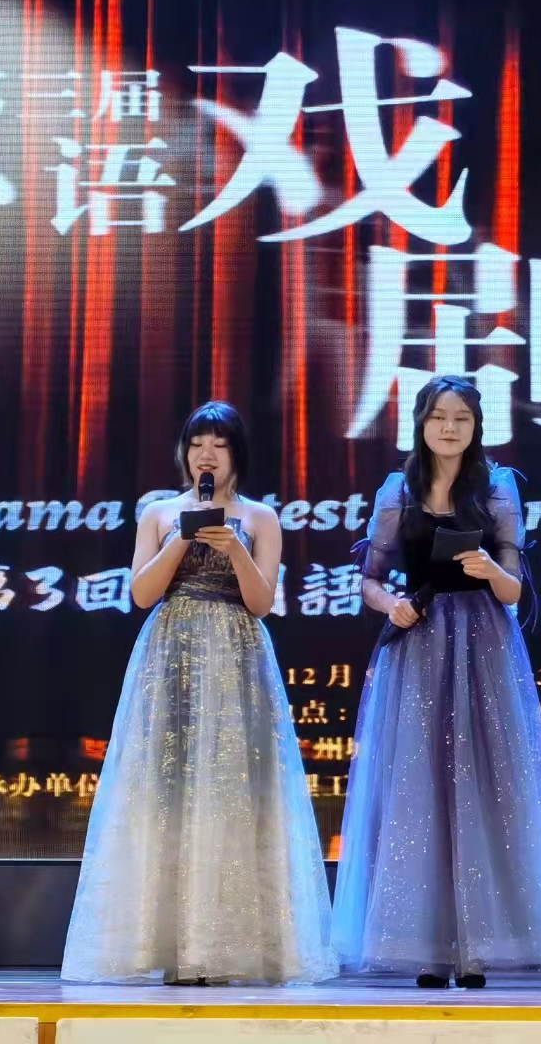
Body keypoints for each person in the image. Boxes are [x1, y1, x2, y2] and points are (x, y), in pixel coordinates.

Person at [62, 401, 337, 986]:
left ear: (237, 454)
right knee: (165, 793)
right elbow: (142, 594)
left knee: (236, 794)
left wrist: (234, 547)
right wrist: (181, 539)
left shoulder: (260, 517)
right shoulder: (159, 512)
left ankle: (229, 944)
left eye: (219, 444)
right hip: (170, 656)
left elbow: (261, 603)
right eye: (196, 444)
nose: (206, 455)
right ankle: (167, 942)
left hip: (238, 656)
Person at [331, 376, 541, 988]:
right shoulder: (398, 489)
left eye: (461, 418)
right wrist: (391, 605)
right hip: (416, 642)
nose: (449, 427)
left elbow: (514, 590)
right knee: (418, 789)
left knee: (484, 788)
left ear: (476, 426)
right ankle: (425, 946)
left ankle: (476, 948)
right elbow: (370, 579)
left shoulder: (496, 487)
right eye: (439, 416)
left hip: (485, 645)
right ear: (421, 422)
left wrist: (490, 567)